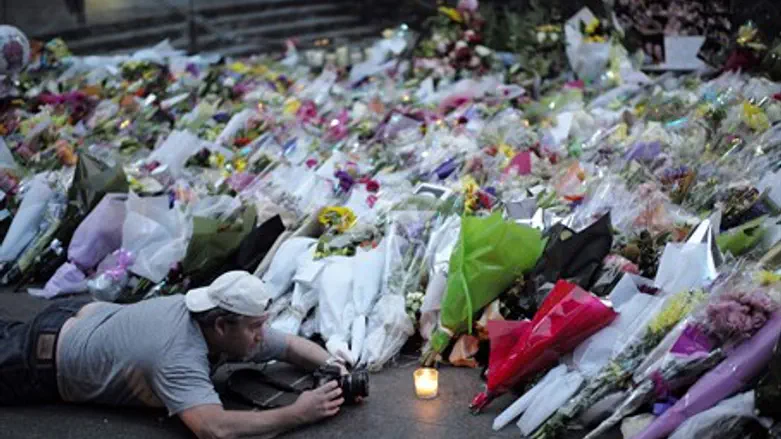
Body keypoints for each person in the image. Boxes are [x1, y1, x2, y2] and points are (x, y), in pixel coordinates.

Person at [0, 271, 353, 439]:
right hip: (32, 362)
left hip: (69, 321)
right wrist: (297, 413)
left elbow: (290, 345)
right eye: (255, 327)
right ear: (221, 327)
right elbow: (214, 428)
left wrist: (330, 365)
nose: (262, 336)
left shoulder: (215, 318)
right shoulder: (177, 354)